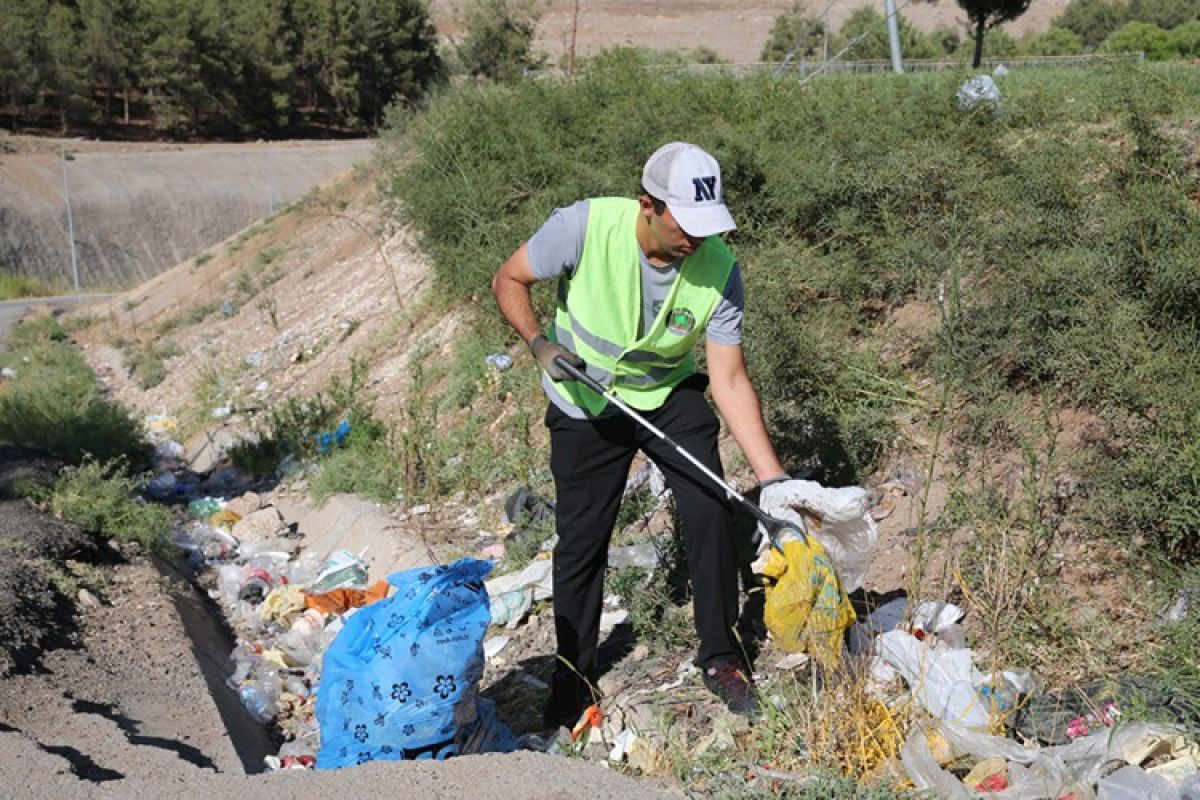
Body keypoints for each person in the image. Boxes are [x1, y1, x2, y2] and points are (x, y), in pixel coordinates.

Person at [491, 142, 789, 726]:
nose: (696, 239)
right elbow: (509, 278)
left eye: (708, 226)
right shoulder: (584, 226)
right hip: (584, 399)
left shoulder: (721, 270)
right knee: (581, 539)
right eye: (686, 224)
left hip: (665, 395)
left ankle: (722, 657)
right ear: (647, 205)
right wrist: (538, 344)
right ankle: (573, 678)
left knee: (709, 505)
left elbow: (728, 379)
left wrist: (774, 481)